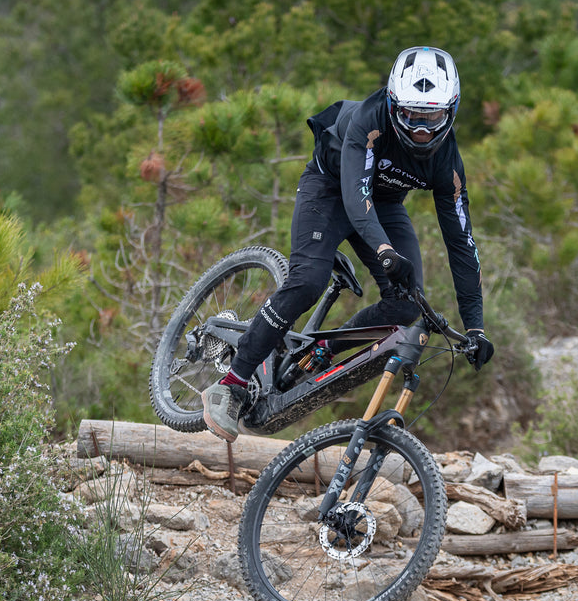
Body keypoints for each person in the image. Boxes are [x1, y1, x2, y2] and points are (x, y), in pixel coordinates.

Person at [200, 45, 494, 442]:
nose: (421, 129)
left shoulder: (448, 163)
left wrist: (475, 326)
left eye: (432, 118)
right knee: (308, 280)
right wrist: (386, 252)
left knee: (407, 304)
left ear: (451, 111)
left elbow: (461, 243)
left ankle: (321, 351)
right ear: (393, 105)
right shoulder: (367, 120)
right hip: (330, 189)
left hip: (385, 203)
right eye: (410, 116)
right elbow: (356, 198)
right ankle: (231, 383)